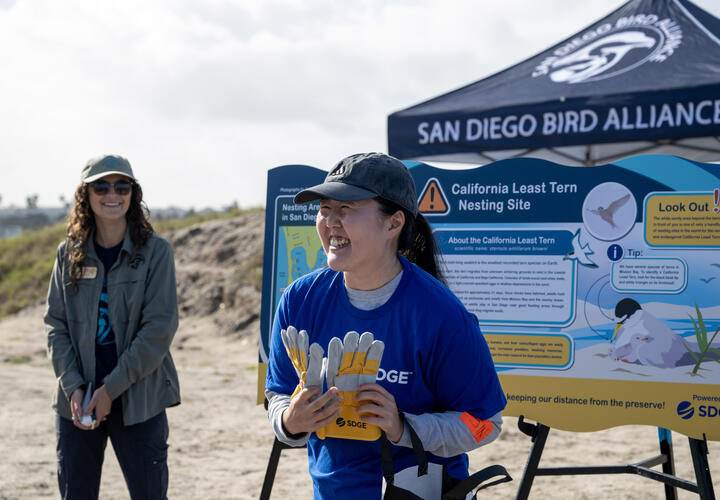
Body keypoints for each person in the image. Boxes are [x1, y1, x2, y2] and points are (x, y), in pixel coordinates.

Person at [265, 152, 506, 499]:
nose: (330, 221)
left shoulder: (441, 315)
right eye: (325, 209)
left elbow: (485, 424)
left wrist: (402, 426)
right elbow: (278, 394)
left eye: (346, 209)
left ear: (393, 224)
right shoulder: (298, 301)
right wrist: (290, 421)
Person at [45, 155, 180, 500]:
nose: (112, 194)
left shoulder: (156, 252)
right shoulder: (67, 254)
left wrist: (110, 390)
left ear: (133, 194)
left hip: (139, 400)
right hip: (78, 402)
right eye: (101, 186)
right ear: (85, 195)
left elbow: (158, 330)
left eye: (122, 186)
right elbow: (55, 326)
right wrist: (74, 387)